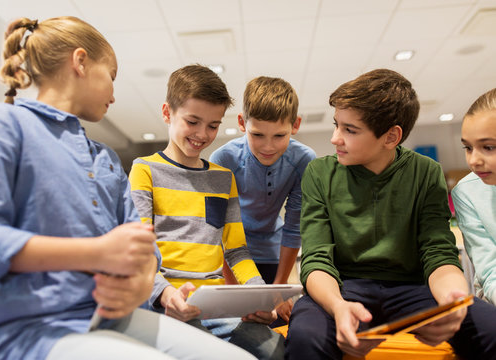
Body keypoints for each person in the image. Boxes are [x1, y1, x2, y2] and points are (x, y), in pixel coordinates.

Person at [0, 17, 257, 360]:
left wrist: (145, 289)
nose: (114, 94)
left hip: (107, 317)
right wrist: (97, 253)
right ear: (80, 62)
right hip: (23, 326)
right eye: (111, 77)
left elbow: (146, 256)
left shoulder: (106, 160)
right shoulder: (1, 124)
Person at [284, 69, 496, 360]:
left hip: (412, 288)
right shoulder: (319, 173)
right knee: (306, 338)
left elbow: (438, 252)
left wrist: (454, 301)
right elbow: (316, 258)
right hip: (343, 288)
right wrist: (337, 306)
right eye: (337, 125)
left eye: (349, 130)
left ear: (391, 136)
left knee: (490, 328)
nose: (335, 138)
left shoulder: (425, 172)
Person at [128, 65, 285, 360]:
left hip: (217, 307)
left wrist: (260, 295)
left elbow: (236, 251)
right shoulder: (144, 170)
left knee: (276, 351)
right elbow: (139, 253)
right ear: (167, 113)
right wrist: (165, 294)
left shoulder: (223, 178)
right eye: (192, 121)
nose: (202, 134)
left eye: (213, 125)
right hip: (165, 303)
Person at [210, 76, 316, 323]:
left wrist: (279, 289)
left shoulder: (303, 160)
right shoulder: (224, 159)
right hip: (229, 255)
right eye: (257, 134)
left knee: (279, 322)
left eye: (280, 136)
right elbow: (219, 229)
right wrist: (233, 288)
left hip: (273, 252)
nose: (268, 146)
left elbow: (293, 226)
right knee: (235, 325)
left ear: (296, 124)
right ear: (241, 123)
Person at [451, 87, 496, 306]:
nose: (474, 160)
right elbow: (489, 270)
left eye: (488, 147)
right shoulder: (467, 192)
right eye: (468, 148)